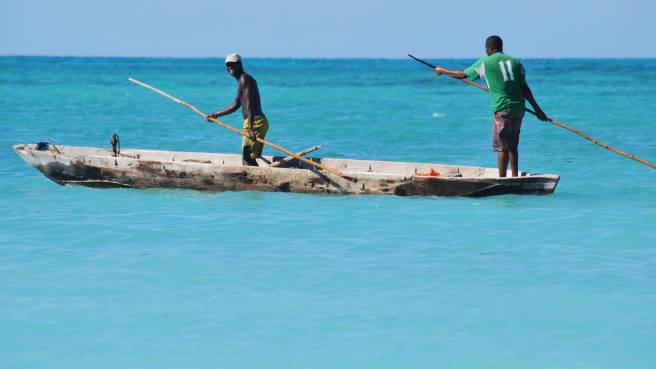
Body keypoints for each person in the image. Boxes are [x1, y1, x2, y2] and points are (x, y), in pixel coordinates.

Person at [433, 36, 548, 177]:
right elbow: (525, 88)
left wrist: (442, 71)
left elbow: (462, 75)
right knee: (513, 146)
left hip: (502, 109)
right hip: (519, 109)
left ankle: (502, 179)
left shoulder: (486, 62)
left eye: (486, 49)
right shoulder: (516, 63)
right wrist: (538, 110)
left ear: (491, 48)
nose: (486, 51)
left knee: (502, 147)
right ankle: (515, 177)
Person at [207, 53, 268, 166]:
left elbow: (249, 104)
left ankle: (254, 182)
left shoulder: (244, 79)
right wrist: (216, 114)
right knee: (249, 157)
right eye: (228, 65)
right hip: (255, 121)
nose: (230, 67)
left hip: (255, 122)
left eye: (233, 64)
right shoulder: (242, 80)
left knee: (247, 158)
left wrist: (250, 128)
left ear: (239, 64)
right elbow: (236, 104)